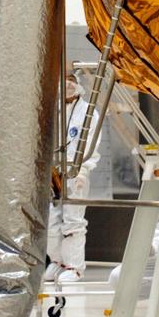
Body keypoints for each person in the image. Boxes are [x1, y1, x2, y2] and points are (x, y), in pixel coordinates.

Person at [45, 74, 102, 284]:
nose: (67, 84)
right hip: (53, 171)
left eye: (71, 79)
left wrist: (83, 170)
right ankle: (57, 262)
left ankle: (74, 267)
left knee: (73, 221)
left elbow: (90, 144)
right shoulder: (54, 109)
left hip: (75, 172)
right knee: (52, 221)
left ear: (78, 84)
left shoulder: (88, 112)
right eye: (63, 79)